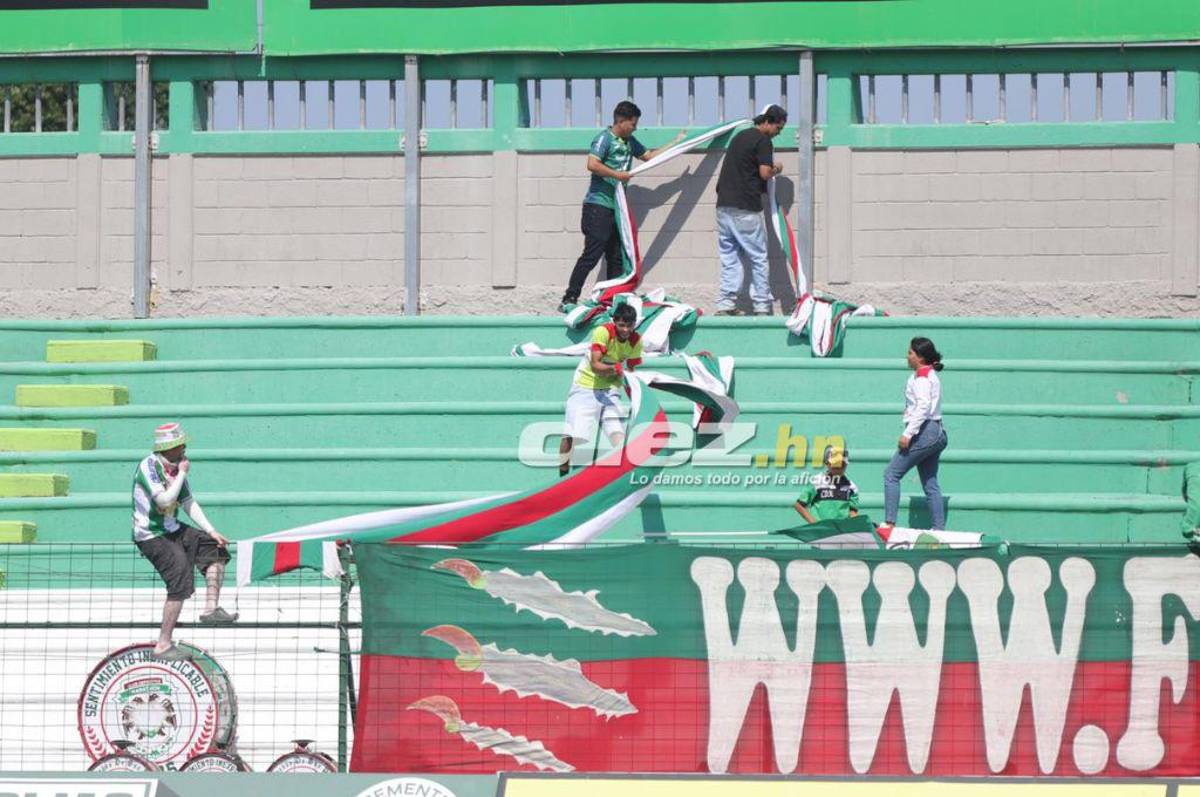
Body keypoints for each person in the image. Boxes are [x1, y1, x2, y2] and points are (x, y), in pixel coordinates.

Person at [559, 101, 686, 312]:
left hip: (617, 209)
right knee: (592, 253)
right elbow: (592, 164)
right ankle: (569, 297)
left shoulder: (629, 142)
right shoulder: (604, 139)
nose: (635, 128)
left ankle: (611, 299)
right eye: (632, 124)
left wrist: (677, 142)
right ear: (620, 121)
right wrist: (618, 175)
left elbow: (649, 157)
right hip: (598, 206)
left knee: (616, 256)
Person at [132, 422, 237, 661]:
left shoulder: (176, 469)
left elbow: (187, 501)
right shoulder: (150, 467)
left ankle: (211, 609)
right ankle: (163, 643)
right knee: (180, 576)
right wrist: (183, 473)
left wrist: (211, 531)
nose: (185, 448)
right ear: (169, 447)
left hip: (173, 528)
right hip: (151, 534)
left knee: (214, 550)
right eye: (180, 445)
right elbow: (164, 500)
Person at [713, 104, 786, 316]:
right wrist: (777, 169)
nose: (778, 134)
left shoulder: (740, 137)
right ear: (769, 122)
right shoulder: (763, 141)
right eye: (778, 129)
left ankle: (726, 304)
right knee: (758, 256)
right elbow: (764, 173)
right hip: (746, 207)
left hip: (724, 205)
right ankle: (762, 305)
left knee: (729, 256)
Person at [559, 303, 643, 476]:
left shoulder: (636, 340)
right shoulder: (603, 332)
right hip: (585, 386)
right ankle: (562, 474)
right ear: (614, 322)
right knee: (572, 435)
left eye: (629, 325)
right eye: (622, 325)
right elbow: (596, 365)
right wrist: (616, 369)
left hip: (610, 389)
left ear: (634, 324)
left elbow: (632, 370)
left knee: (617, 434)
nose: (626, 330)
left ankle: (624, 475)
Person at [880, 338, 948, 532]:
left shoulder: (922, 376)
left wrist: (908, 433)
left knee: (891, 474)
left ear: (920, 357)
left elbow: (924, 406)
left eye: (910, 353)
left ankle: (889, 524)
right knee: (930, 482)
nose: (907, 356)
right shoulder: (927, 374)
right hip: (936, 431)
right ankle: (938, 530)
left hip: (925, 431)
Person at [794, 445, 859, 523]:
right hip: (820, 532)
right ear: (827, 463)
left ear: (846, 465)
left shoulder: (852, 487)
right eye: (835, 464)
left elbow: (852, 512)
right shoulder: (816, 482)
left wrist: (857, 524)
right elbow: (799, 505)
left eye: (841, 464)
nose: (838, 468)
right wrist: (814, 524)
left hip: (841, 532)